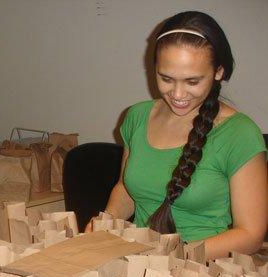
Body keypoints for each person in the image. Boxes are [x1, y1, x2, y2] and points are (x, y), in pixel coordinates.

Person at [87, 11, 267, 260]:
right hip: (140, 260)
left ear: (219, 72)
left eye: (192, 81)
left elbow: (250, 234)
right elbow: (127, 189)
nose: (178, 94)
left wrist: (172, 255)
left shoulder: (239, 133)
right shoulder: (137, 116)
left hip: (206, 268)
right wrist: (105, 221)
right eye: (166, 79)